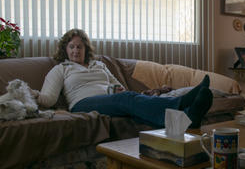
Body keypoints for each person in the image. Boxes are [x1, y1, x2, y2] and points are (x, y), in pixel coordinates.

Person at [31, 28, 213, 128]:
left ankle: (188, 121)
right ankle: (180, 102)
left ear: (86, 49)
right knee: (126, 99)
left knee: (132, 106)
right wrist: (30, 93)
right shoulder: (61, 69)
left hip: (109, 99)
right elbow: (48, 100)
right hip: (82, 103)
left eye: (79, 47)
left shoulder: (99, 65)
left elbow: (118, 86)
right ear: (65, 49)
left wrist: (118, 90)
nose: (76, 51)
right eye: (72, 47)